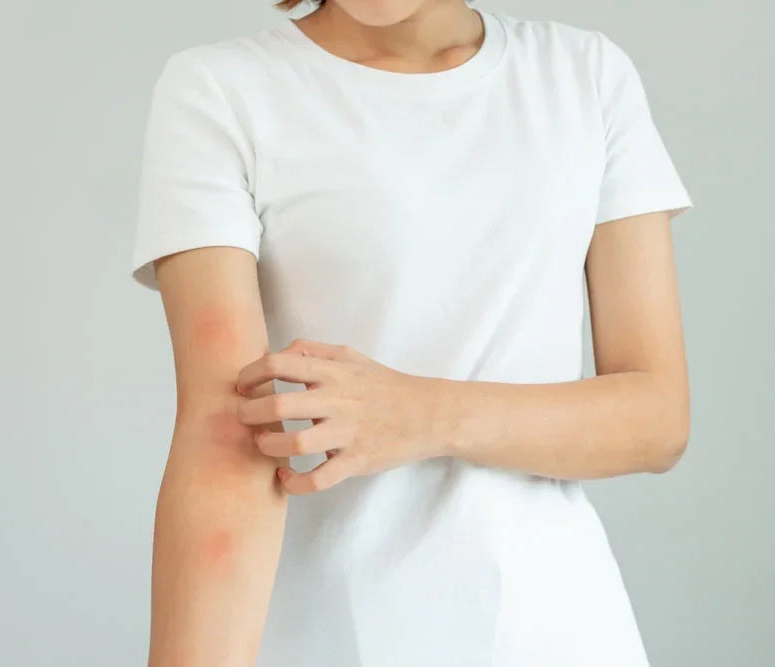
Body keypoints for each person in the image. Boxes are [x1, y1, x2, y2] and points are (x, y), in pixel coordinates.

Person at [130, 0, 693, 665]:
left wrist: (419, 412)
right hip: (335, 632)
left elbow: (657, 418)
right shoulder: (222, 91)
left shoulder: (586, 76)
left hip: (556, 628)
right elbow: (225, 435)